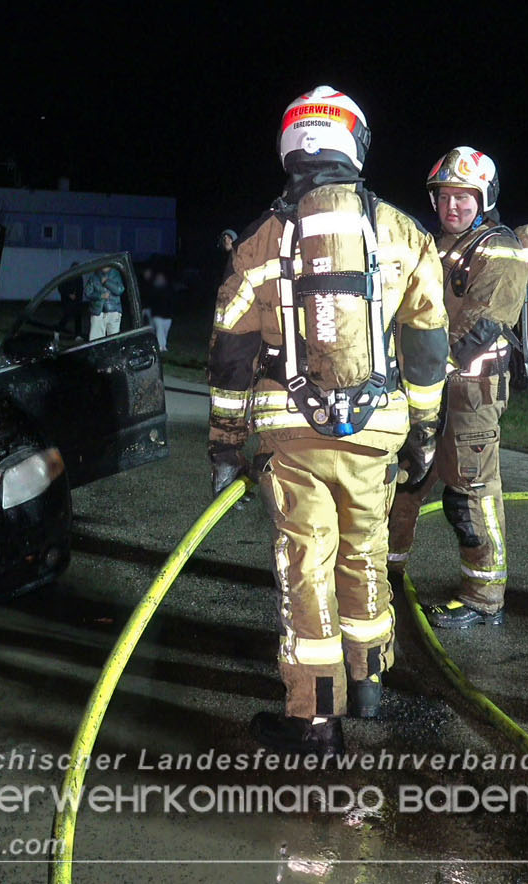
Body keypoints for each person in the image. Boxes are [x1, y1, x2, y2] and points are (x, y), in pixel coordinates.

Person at [207, 86, 449, 755]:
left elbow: (231, 353)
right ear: (355, 142)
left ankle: (314, 718)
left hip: (291, 434)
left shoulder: (260, 241)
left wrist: (226, 444)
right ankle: (368, 680)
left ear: (291, 145)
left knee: (304, 563)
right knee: (364, 549)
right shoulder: (405, 234)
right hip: (378, 433)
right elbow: (429, 348)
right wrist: (424, 436)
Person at [387, 147, 528, 629]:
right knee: (405, 480)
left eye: (464, 198)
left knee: (471, 495)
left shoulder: (499, 247)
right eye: (446, 196)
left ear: (483, 198)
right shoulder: (436, 245)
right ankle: (385, 577)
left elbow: (485, 324)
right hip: (426, 390)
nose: (453, 206)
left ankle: (483, 598)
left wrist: (433, 364)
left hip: (472, 396)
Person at [84, 264, 124, 340]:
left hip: (114, 311)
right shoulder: (94, 277)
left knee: (114, 339)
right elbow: (87, 293)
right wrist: (100, 296)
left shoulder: (116, 275)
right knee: (96, 339)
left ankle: (113, 352)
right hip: (98, 312)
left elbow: (119, 290)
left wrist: (107, 282)